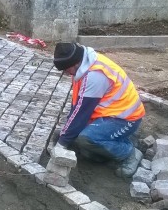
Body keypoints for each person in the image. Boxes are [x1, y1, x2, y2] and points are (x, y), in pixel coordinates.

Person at [52, 42, 144, 177]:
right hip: (107, 113)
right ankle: (108, 145)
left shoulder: (95, 75)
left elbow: (82, 113)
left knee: (86, 138)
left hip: (126, 118)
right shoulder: (83, 67)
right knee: (80, 142)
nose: (65, 73)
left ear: (75, 63)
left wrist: (61, 144)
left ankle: (129, 153)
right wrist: (66, 134)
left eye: (66, 70)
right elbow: (77, 106)